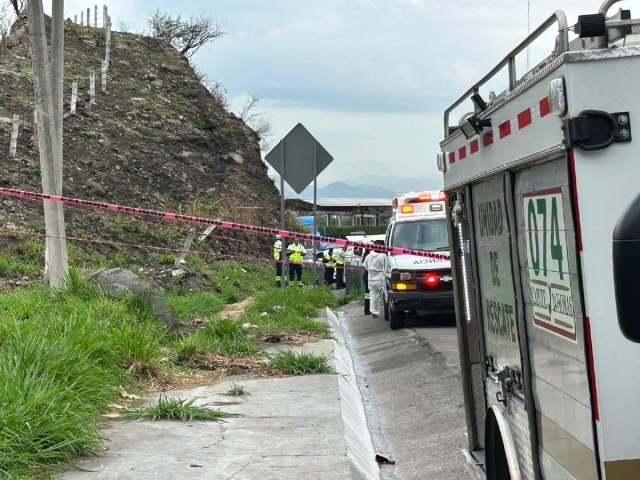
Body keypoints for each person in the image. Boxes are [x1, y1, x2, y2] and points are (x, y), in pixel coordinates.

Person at [364, 240, 386, 318]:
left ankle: (374, 312)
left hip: (371, 279)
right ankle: (387, 312)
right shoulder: (383, 256)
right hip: (381, 279)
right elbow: (385, 267)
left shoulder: (368, 256)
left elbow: (365, 266)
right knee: (385, 295)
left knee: (373, 296)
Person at [361, 243, 371, 315]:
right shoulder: (368, 256)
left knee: (368, 293)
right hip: (368, 276)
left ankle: (367, 309)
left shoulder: (366, 255)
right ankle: (367, 309)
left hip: (366, 275)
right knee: (368, 293)